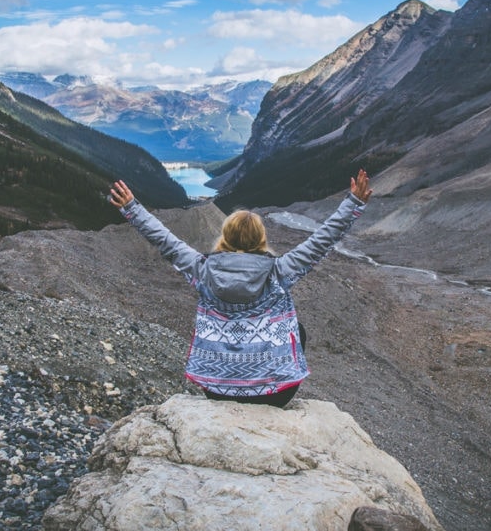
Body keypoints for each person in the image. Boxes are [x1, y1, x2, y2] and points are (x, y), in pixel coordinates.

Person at [109, 169, 373, 408]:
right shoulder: (278, 272)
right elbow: (321, 241)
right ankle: (266, 378)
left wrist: (132, 208)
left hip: (216, 391)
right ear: (260, 239)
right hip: (275, 394)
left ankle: (226, 375)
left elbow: (165, 241)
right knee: (298, 330)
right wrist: (354, 204)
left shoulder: (203, 270)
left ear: (226, 237)